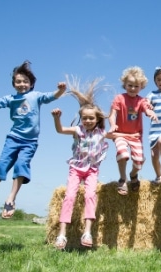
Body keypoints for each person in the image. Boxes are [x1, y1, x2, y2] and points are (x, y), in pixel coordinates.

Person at [0, 60, 66, 218]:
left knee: (21, 165)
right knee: (1, 164)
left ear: (31, 83)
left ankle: (11, 198)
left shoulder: (36, 96)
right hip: (13, 138)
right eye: (18, 82)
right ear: (14, 84)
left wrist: (60, 90)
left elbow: (52, 96)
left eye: (25, 81)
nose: (22, 84)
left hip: (30, 142)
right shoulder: (10, 99)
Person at [51, 77, 109, 250]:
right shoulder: (77, 130)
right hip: (76, 168)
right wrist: (57, 118)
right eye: (85, 118)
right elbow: (60, 130)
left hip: (92, 170)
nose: (88, 121)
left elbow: (119, 134)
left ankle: (87, 232)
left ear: (97, 119)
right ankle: (62, 235)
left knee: (90, 196)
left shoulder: (102, 132)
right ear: (81, 118)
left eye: (91, 118)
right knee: (69, 196)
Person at [108, 66, 158, 194]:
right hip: (120, 134)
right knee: (123, 154)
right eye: (130, 85)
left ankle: (133, 175)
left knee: (139, 161)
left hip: (135, 135)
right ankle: (123, 179)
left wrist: (150, 112)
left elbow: (146, 109)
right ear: (125, 85)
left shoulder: (141, 100)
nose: (133, 88)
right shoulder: (119, 98)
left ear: (141, 87)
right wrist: (113, 125)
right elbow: (113, 114)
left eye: (136, 86)